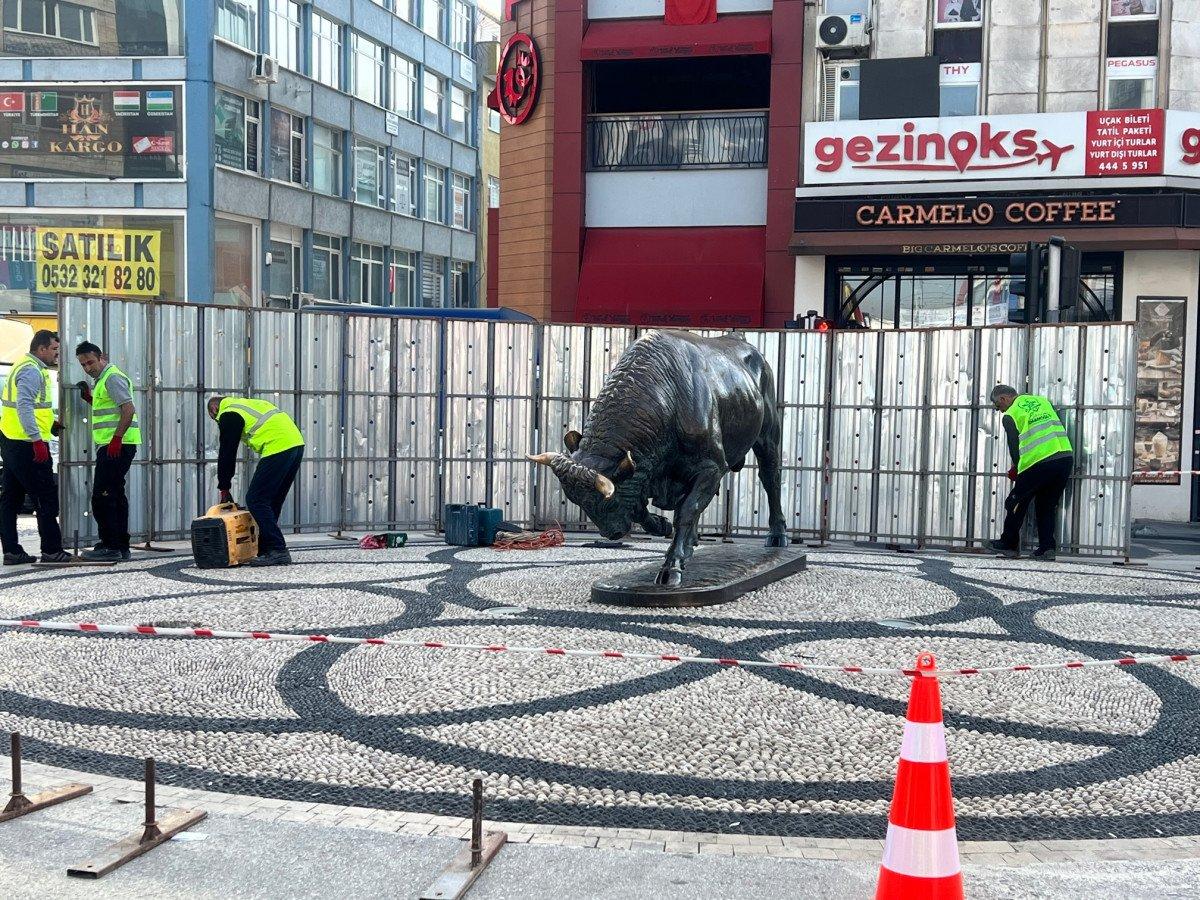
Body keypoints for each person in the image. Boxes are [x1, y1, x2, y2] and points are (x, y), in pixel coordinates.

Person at [207, 396, 304, 566]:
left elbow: (227, 451)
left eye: (215, 419)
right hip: (295, 443)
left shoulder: (228, 413)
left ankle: (278, 549)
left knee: (255, 499)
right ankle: (267, 548)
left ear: (214, 410)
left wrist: (224, 487)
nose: (218, 422)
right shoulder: (246, 404)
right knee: (272, 501)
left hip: (278, 446)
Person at [0, 329, 70, 564]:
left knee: (11, 499)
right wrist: (37, 440)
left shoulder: (22, 364)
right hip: (28, 445)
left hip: (11, 440)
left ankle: (11, 551)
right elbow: (24, 407)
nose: (56, 355)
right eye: (54, 350)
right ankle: (52, 550)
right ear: (41, 349)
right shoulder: (32, 371)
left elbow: (35, 408)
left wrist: (50, 424)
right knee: (46, 498)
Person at [988, 385, 1074, 561]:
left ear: (1004, 399)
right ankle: (1047, 548)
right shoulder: (1043, 401)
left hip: (1039, 461)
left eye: (998, 406)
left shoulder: (1010, 415)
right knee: (1046, 506)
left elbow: (1014, 447)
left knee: (1014, 502)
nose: (999, 410)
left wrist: (1018, 470)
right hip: (1064, 457)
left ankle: (1008, 544)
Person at [75, 341, 139, 562]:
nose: (87, 368)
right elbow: (111, 408)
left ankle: (110, 546)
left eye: (90, 362)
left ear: (101, 357)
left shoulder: (112, 377)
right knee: (115, 494)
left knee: (102, 496)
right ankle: (120, 545)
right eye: (83, 364)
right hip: (116, 444)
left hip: (116, 446)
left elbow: (128, 409)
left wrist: (116, 439)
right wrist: (90, 399)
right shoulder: (103, 379)